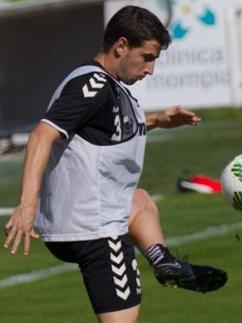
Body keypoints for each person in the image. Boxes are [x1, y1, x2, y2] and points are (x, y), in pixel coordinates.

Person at [2, 5, 227, 323]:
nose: (150, 70)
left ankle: (163, 261)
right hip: (93, 229)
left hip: (82, 219)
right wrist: (26, 206)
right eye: (147, 58)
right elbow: (41, 136)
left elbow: (105, 132)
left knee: (139, 200)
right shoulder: (91, 86)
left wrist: (157, 121)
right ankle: (162, 263)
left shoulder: (108, 87)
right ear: (121, 46)